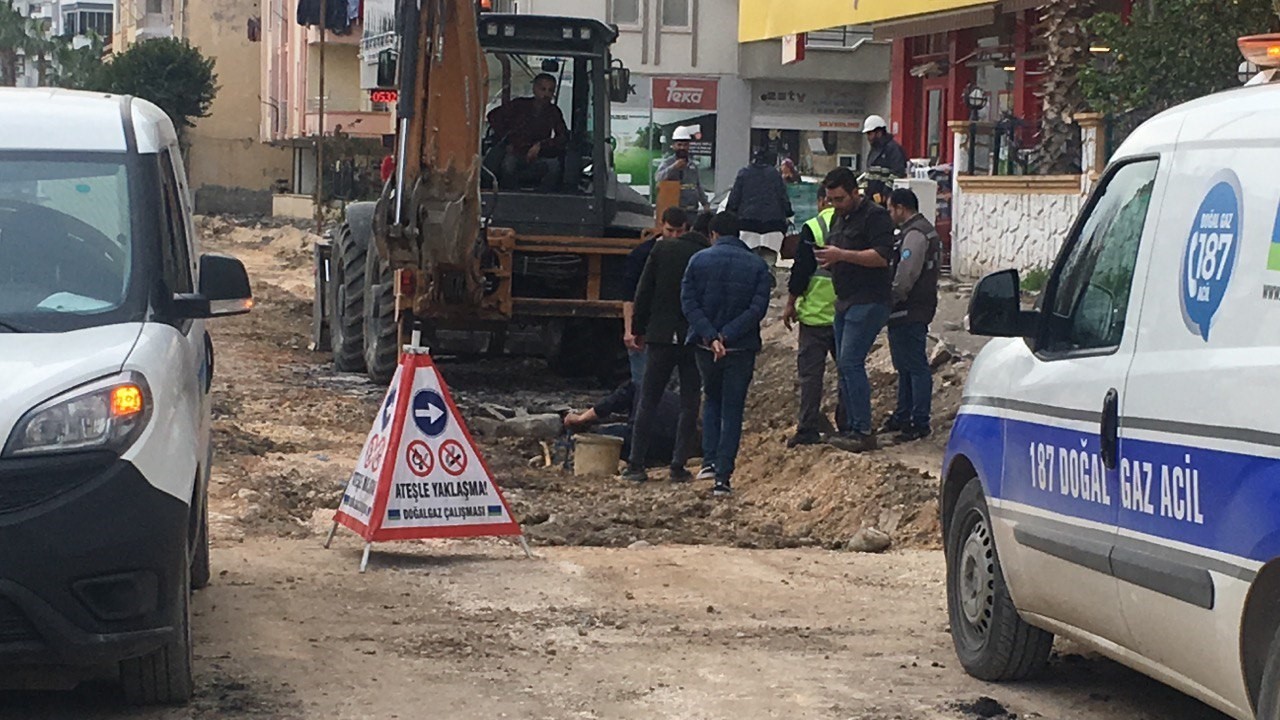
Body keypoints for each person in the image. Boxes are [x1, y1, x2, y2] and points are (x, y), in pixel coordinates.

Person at [681, 211, 771, 496]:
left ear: (712, 234)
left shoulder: (698, 261)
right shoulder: (757, 266)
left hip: (705, 347)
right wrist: (728, 335)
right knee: (732, 409)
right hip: (740, 347)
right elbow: (757, 309)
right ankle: (723, 476)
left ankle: (708, 461)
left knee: (712, 400)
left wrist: (710, 335)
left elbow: (688, 302)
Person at [622, 208, 708, 484]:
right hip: (693, 337)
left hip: (660, 335)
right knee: (689, 401)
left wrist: (637, 329)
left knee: (648, 398)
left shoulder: (661, 252)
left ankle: (636, 464)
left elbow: (643, 291)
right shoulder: (705, 255)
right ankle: (677, 465)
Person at [814, 167, 896, 454]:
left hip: (869, 299)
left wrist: (842, 255)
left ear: (854, 192)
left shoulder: (875, 217)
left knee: (851, 361)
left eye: (839, 199)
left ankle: (862, 429)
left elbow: (882, 257)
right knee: (844, 365)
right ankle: (848, 426)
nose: (835, 205)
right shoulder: (840, 218)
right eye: (831, 199)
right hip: (845, 299)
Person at [782, 186, 846, 447]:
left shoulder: (813, 227)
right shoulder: (853, 223)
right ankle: (850, 425)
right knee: (848, 372)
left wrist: (790, 303)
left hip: (814, 316)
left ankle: (807, 427)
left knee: (810, 377)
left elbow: (802, 270)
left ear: (821, 201)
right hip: (845, 314)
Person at [884, 188, 942, 442]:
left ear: (900, 207)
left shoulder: (915, 234)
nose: (889, 214)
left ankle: (918, 421)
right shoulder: (918, 231)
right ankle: (903, 414)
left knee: (915, 366)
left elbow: (906, 273)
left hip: (911, 307)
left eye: (890, 209)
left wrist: (892, 297)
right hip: (909, 308)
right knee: (905, 366)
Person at [623, 208, 689, 388]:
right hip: (647, 329)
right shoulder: (642, 254)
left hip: (675, 330)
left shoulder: (689, 255)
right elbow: (630, 295)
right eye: (670, 231)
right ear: (661, 226)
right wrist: (630, 329)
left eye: (679, 231)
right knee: (642, 386)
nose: (674, 236)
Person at [564, 381, 686, 466]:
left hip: (646, 441)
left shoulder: (632, 388)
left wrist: (582, 418)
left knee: (601, 435)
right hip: (676, 447)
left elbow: (610, 403)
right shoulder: (671, 397)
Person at [486, 73, 570, 192]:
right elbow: (493, 116)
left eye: (550, 91)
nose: (546, 94)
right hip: (515, 152)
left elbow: (562, 136)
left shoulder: (554, 112)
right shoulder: (519, 105)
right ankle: (511, 196)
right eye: (543, 89)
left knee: (554, 167)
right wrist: (507, 139)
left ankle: (543, 199)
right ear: (534, 89)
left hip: (540, 156)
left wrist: (541, 145)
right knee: (508, 165)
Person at [726, 149, 793, 267]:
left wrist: (730, 216)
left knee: (747, 265)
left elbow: (733, 201)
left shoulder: (744, 173)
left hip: (747, 227)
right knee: (769, 263)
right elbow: (784, 199)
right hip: (773, 228)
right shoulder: (775, 174)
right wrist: (788, 214)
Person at [656, 126, 710, 213]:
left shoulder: (693, 165)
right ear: (674, 146)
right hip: (674, 210)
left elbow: (698, 186)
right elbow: (658, 178)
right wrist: (674, 167)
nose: (682, 148)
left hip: (691, 210)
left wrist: (705, 203)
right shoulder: (667, 163)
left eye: (685, 145)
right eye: (679, 145)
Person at [863, 115, 908, 180]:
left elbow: (898, 173)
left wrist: (885, 190)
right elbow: (869, 173)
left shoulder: (893, 149)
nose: (868, 137)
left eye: (869, 133)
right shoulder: (874, 150)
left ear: (879, 133)